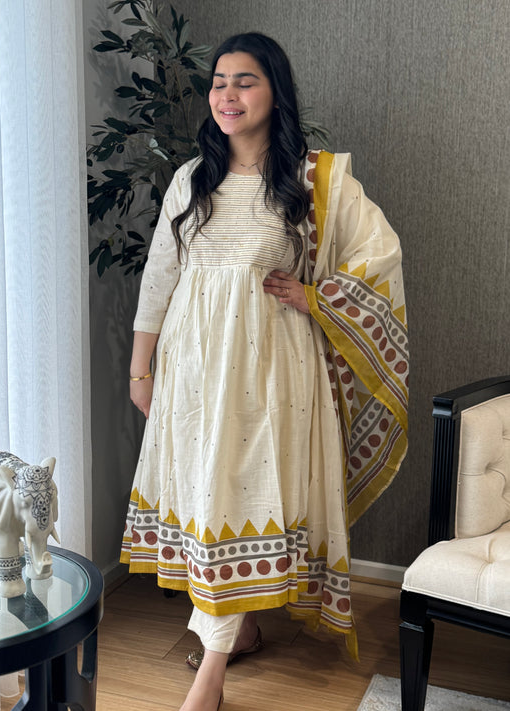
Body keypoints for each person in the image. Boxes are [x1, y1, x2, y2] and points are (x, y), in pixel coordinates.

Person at [120, 32, 408, 711]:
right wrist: (140, 370)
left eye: (244, 81)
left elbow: (381, 254)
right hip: (193, 369)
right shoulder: (191, 178)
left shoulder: (312, 181)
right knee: (205, 500)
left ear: (275, 92)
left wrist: (316, 297)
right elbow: (160, 276)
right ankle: (241, 628)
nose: (227, 94)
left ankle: (210, 678)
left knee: (238, 498)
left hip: (271, 371)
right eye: (218, 82)